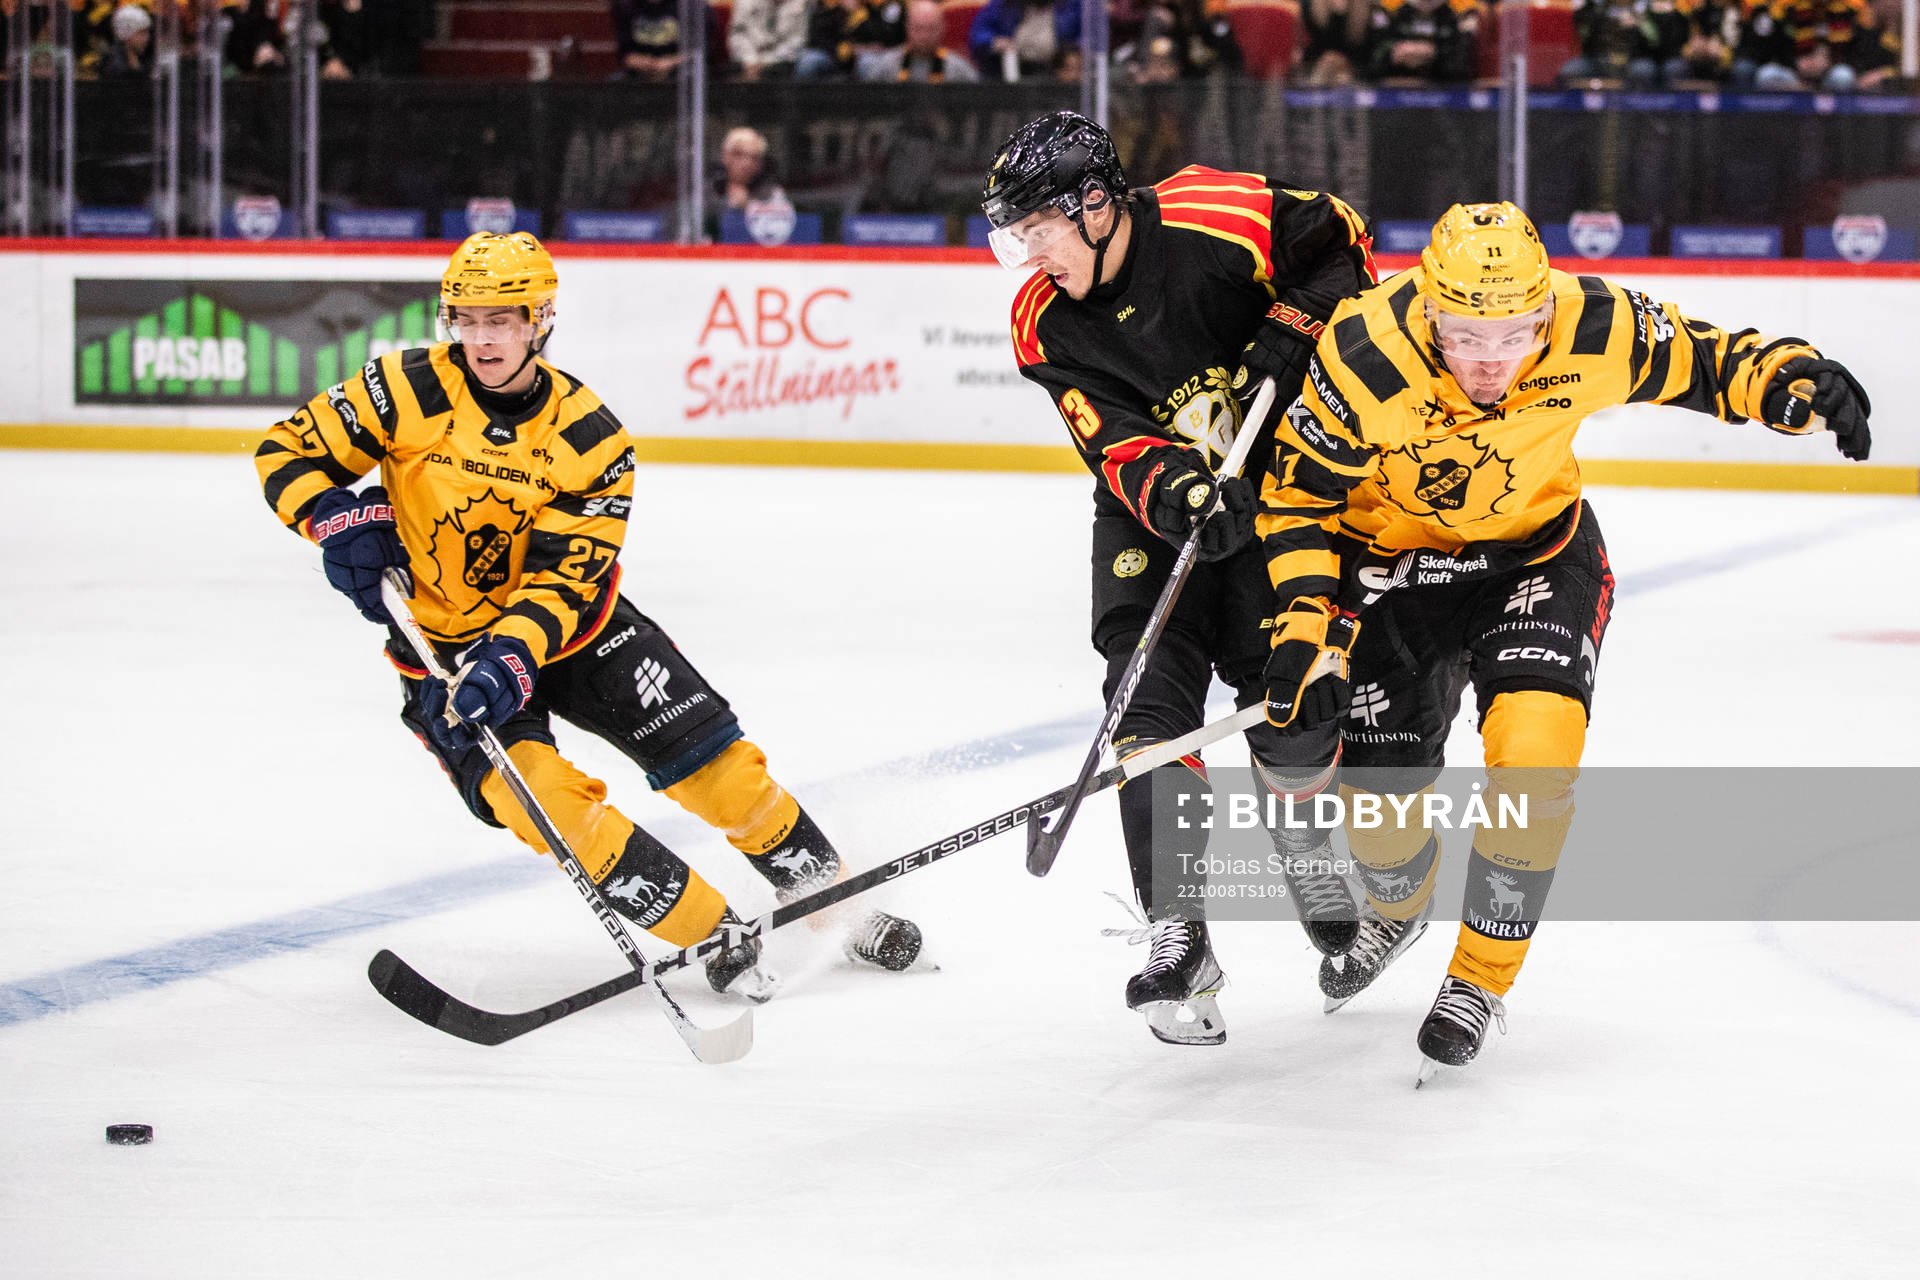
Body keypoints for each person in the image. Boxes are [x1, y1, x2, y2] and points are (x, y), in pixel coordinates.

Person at [1255, 202, 1871, 1073]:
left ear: (1547, 310)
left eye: (1515, 334)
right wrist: (1307, 628)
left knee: (1536, 758)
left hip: (1535, 561)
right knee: (1382, 823)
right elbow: (1299, 502)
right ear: (1425, 305)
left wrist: (1788, 377)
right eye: (1465, 333)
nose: (1489, 362)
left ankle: (1479, 978)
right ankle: (1400, 900)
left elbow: (1705, 357)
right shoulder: (1363, 353)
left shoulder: (1593, 323)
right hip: (1395, 578)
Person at [253, 232, 922, 1000]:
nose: (481, 339)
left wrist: (512, 651)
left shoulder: (591, 436)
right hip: (444, 653)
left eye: (501, 320)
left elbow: (565, 580)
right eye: (466, 320)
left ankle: (831, 902)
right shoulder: (401, 388)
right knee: (543, 804)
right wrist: (335, 518)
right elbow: (286, 452)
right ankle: (711, 933)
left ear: (540, 320)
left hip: (578, 635)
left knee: (723, 775)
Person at [983, 111, 1378, 1045]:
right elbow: (1110, 436)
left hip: (1283, 493)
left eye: (1038, 230)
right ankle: (1178, 931)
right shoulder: (1041, 322)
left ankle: (1308, 851)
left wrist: (1294, 320)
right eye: (1019, 237)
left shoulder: (1213, 211)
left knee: (1291, 688)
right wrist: (1177, 489)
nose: (1030, 254)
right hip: (1157, 512)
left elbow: (1345, 241)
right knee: (1143, 699)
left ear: (1093, 205)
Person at [859, 0, 980, 81]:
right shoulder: (885, 67)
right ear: (907, 28)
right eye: (919, 28)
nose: (924, 36)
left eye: (930, 29)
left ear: (942, 29)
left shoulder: (960, 71)